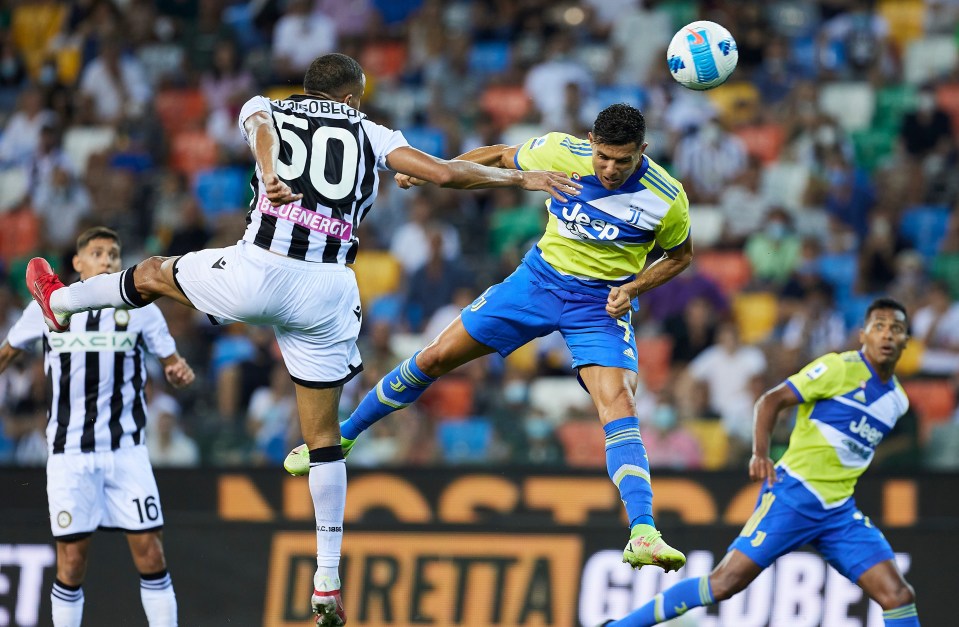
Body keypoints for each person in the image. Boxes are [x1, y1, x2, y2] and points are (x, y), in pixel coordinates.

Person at [25, 53, 578, 627]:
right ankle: (327, 584)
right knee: (322, 441)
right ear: (354, 96)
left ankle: (60, 300)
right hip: (329, 291)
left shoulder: (267, 107)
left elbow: (261, 132)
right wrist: (521, 176)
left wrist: (268, 175)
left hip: (258, 272)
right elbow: (440, 172)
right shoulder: (371, 131)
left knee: (152, 273)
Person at [287, 103, 693, 573]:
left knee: (619, 403)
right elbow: (500, 156)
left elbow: (679, 256)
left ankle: (643, 531)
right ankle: (344, 436)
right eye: (603, 157)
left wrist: (634, 286)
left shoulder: (667, 197)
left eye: (622, 161)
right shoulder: (561, 151)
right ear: (590, 142)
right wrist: (435, 171)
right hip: (536, 283)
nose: (609, 169)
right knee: (437, 356)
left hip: (599, 305)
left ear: (642, 151)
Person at [598, 298, 920, 627]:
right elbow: (771, 400)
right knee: (723, 584)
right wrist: (760, 453)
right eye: (878, 327)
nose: (887, 335)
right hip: (792, 495)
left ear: (907, 339)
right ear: (863, 334)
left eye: (896, 329)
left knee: (898, 596)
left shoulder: (897, 401)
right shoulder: (839, 368)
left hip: (839, 511)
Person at [2, 227, 195, 627]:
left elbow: (169, 358)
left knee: (151, 552)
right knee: (71, 561)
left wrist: (176, 368)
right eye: (98, 253)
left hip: (126, 450)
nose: (107, 260)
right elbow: (7, 351)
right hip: (69, 454)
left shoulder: (142, 309)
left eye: (113, 254)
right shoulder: (48, 306)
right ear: (78, 262)